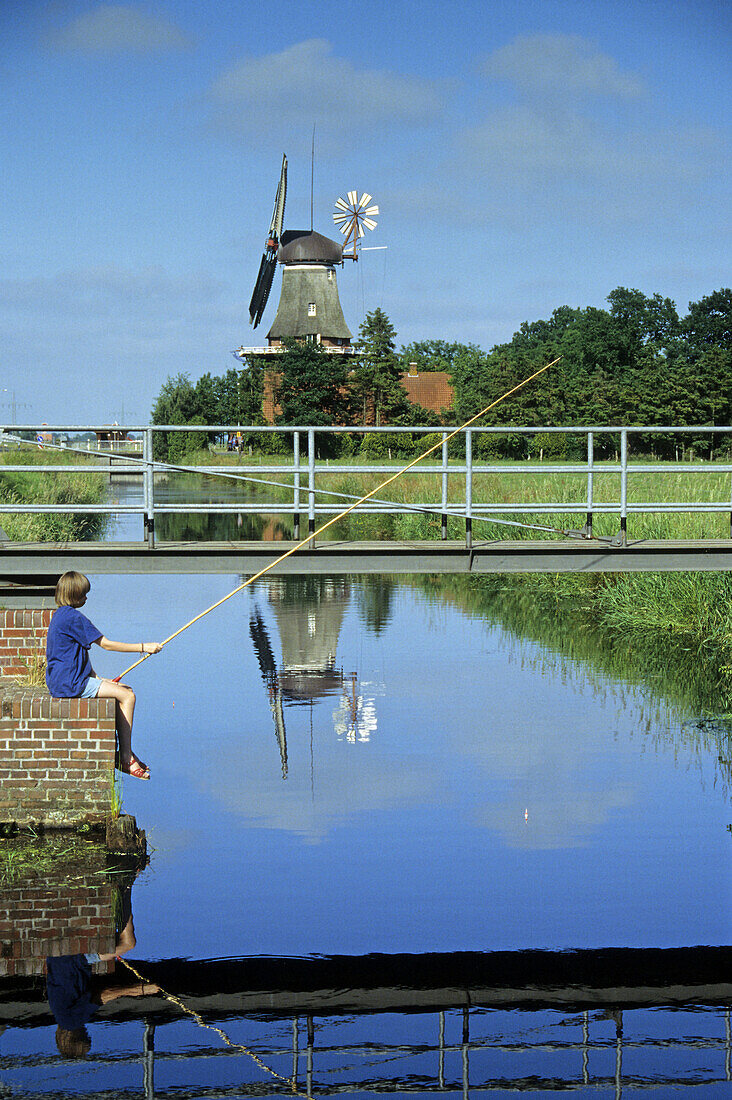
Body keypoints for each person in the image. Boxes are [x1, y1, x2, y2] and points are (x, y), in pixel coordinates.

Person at [45, 571, 162, 780]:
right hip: (71, 685)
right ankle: (125, 757)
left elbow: (73, 653)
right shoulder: (73, 617)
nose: (86, 598)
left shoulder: (59, 616)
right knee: (128, 697)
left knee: (124, 690)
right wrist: (144, 647)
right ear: (75, 596)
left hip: (60, 681)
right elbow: (106, 645)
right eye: (83, 595)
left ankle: (125, 752)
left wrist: (97, 678)